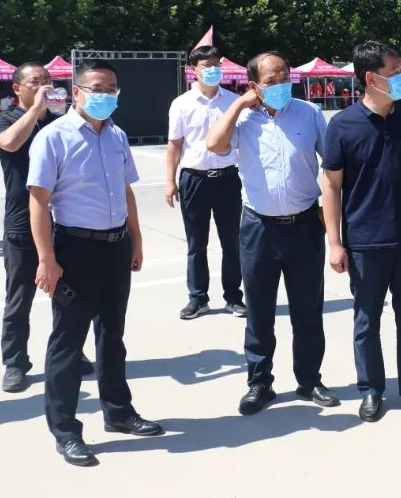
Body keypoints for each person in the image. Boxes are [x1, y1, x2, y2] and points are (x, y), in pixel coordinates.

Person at [28, 59, 162, 467]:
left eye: (112, 88)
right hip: (74, 250)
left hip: (115, 246)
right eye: (97, 88)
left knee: (112, 335)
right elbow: (38, 201)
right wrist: (47, 259)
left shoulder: (116, 135)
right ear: (77, 92)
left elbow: (126, 190)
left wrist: (135, 239)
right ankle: (66, 430)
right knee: (68, 343)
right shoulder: (54, 137)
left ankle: (118, 412)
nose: (106, 95)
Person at [207, 51, 339, 416]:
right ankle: (260, 383)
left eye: (285, 77)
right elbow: (214, 145)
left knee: (308, 310)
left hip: (305, 225)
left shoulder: (309, 114)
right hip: (258, 227)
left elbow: (332, 165)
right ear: (253, 85)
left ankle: (309, 380)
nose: (281, 85)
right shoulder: (241, 118)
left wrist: (334, 229)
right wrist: (240, 105)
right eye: (271, 81)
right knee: (260, 311)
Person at [321, 41, 401, 423]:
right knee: (366, 322)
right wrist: (335, 242)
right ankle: (371, 389)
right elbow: (331, 186)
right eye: (394, 73)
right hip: (365, 242)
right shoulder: (343, 125)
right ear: (371, 78)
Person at [0, 63, 93, 393]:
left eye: (47, 81)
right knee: (19, 298)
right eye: (35, 82)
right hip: (22, 223)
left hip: (63, 222)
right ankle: (15, 362)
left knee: (69, 296)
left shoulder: (58, 121)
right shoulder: (6, 119)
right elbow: (8, 143)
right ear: (17, 88)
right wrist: (36, 109)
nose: (43, 87)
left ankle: (70, 352)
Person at [165, 45, 245, 321]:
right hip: (194, 179)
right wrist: (170, 181)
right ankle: (198, 298)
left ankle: (234, 297)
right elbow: (175, 145)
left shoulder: (234, 102)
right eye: (206, 66)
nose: (213, 70)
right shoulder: (182, 104)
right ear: (193, 70)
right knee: (196, 243)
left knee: (232, 242)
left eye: (216, 65)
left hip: (227, 179)